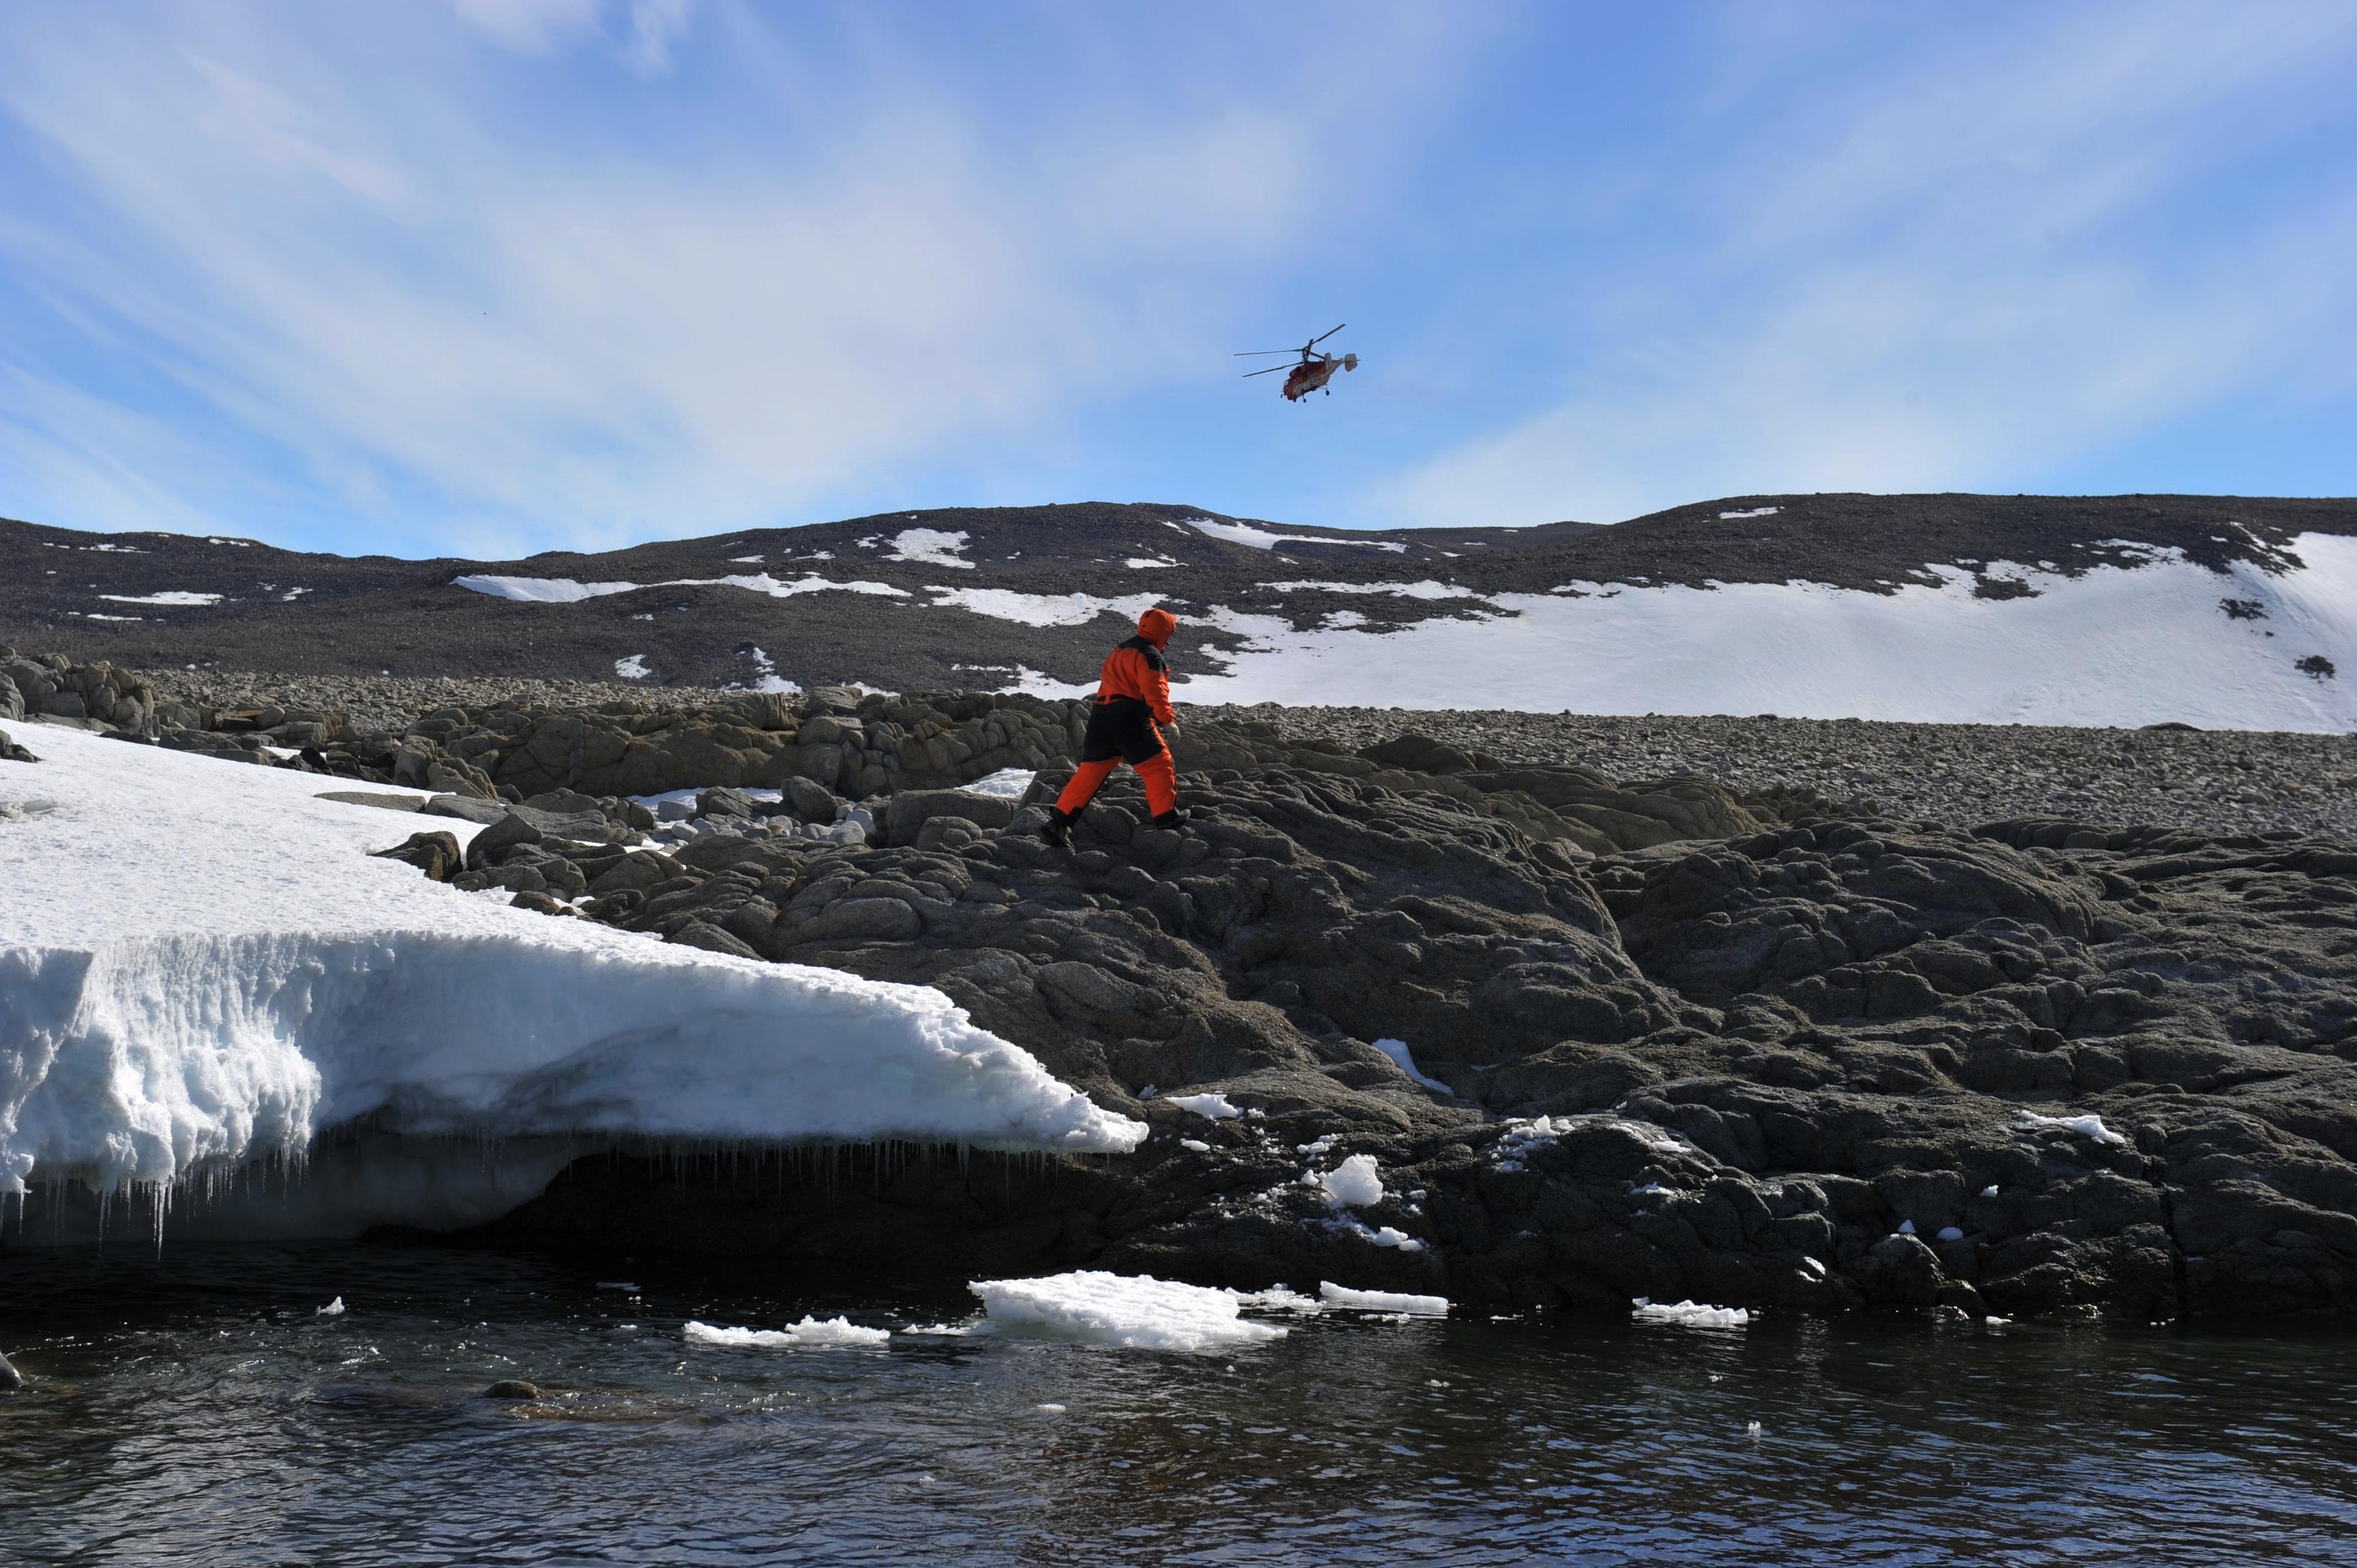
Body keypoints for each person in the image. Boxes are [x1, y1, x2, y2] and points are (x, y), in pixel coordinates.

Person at [1041, 606, 1189, 846]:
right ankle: (1166, 818)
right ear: (1164, 632)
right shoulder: (1149, 654)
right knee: (1159, 766)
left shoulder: (1119, 651)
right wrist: (1167, 720)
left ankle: (1057, 824)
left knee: (1089, 775)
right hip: (1128, 718)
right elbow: (1155, 691)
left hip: (1100, 719)